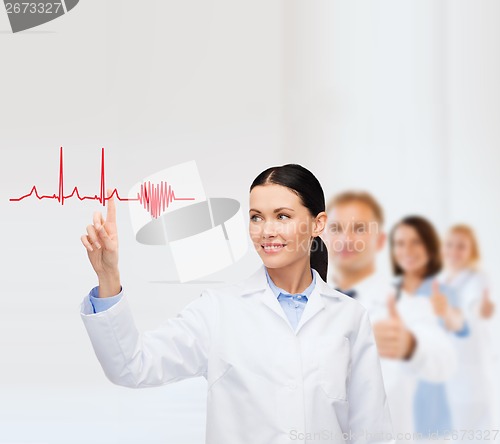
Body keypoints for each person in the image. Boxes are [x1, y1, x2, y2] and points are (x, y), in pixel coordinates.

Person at [80, 165, 395, 444]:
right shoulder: (218, 310)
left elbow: (372, 432)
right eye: (256, 217)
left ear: (318, 223)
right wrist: (108, 277)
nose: (266, 230)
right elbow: (131, 366)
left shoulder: (348, 317)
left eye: (282, 216)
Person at [322, 192, 457, 443]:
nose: (346, 239)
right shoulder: (309, 302)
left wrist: (410, 345)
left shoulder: (407, 303)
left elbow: (445, 361)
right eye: (337, 228)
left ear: (381, 240)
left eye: (359, 229)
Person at [389, 216, 468, 442]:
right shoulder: (388, 293)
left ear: (430, 248)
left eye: (416, 242)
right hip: (393, 410)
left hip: (431, 411)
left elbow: (461, 326)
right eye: (401, 243)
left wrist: (448, 314)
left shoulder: (442, 291)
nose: (408, 250)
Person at [439, 224, 497, 438]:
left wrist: (482, 309)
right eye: (450, 245)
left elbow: (478, 307)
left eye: (461, 246)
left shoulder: (477, 279)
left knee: (473, 433)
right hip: (450, 376)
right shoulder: (443, 282)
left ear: (472, 250)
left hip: (472, 377)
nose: (454, 251)